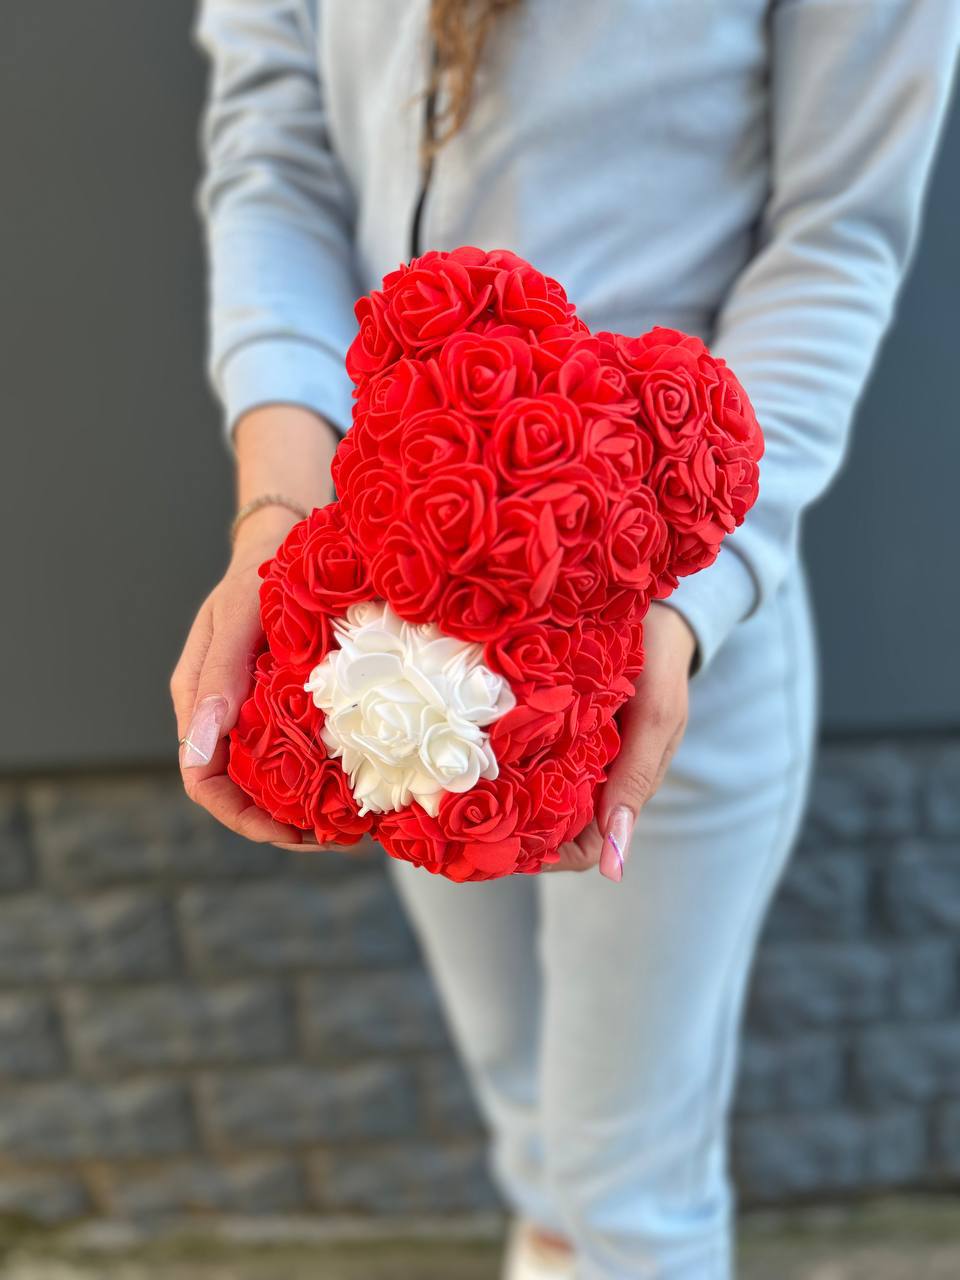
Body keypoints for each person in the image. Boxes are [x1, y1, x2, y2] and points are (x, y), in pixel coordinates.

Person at [171, 3, 959, 1277]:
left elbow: (832, 237)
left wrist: (687, 593)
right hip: (390, 626)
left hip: (668, 623)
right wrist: (284, 517)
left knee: (631, 1189)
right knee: (531, 1127)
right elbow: (279, 160)